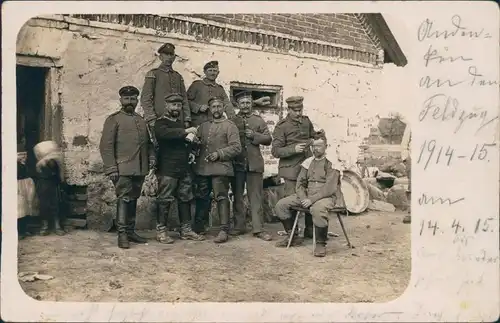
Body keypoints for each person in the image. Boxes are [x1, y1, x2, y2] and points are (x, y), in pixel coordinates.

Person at [99, 86, 156, 249]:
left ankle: (130, 231)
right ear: (121, 100)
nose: (130, 102)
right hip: (122, 169)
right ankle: (122, 234)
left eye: (133, 99)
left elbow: (149, 143)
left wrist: (151, 157)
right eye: (127, 99)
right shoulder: (113, 119)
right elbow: (106, 146)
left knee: (133, 199)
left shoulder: (140, 120)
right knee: (124, 198)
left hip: (140, 168)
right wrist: (111, 168)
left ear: (137, 100)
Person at [274, 137, 341, 257]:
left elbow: (329, 188)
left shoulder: (332, 162)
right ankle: (292, 235)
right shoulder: (308, 162)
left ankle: (320, 244)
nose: (316, 149)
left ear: (326, 146)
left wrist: (311, 200)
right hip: (308, 195)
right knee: (281, 205)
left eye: (319, 146)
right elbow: (300, 183)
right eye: (313, 146)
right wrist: (303, 197)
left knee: (317, 209)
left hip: (327, 197)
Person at [153, 93, 205, 243]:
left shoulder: (181, 124)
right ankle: (161, 231)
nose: (176, 108)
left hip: (184, 168)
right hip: (167, 168)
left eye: (179, 105)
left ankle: (186, 230)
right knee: (164, 199)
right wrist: (185, 132)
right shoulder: (160, 123)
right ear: (166, 106)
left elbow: (186, 142)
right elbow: (164, 135)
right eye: (173, 105)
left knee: (186, 198)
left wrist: (191, 152)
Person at [271, 96, 324, 240]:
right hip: (291, 171)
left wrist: (317, 137)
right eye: (295, 110)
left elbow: (313, 136)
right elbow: (275, 151)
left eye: (300, 109)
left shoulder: (306, 121)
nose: (299, 113)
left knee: (309, 198)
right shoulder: (282, 126)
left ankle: (309, 230)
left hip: (308, 169)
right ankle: (292, 234)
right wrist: (293, 149)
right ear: (288, 110)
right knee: (290, 202)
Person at [192, 96, 242, 243]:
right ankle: (199, 228)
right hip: (203, 168)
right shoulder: (203, 126)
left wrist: (219, 154)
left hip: (221, 168)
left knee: (221, 197)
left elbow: (236, 147)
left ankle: (223, 230)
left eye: (219, 106)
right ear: (210, 109)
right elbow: (197, 146)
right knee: (202, 197)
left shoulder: (230, 126)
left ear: (223, 108)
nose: (216, 110)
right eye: (213, 107)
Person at [229, 91, 273, 241]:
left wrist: (254, 135)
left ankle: (258, 228)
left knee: (256, 197)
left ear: (251, 104)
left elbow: (268, 139)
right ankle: (239, 226)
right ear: (238, 105)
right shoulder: (232, 120)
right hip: (238, 164)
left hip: (254, 164)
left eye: (248, 102)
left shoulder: (258, 120)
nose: (245, 106)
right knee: (238, 196)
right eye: (242, 103)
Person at [140, 43, 191, 130]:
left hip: (178, 120)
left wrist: (187, 118)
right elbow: (146, 98)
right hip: (160, 119)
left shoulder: (178, 76)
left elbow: (184, 99)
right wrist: (151, 118)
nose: (169, 57)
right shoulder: (153, 74)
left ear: (174, 58)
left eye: (171, 54)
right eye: (166, 54)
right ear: (160, 57)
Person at [186, 60, 236, 127]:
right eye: (210, 70)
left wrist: (233, 120)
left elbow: (227, 104)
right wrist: (198, 107)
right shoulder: (196, 85)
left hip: (214, 124)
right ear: (205, 72)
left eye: (215, 71)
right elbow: (186, 101)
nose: (212, 73)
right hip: (197, 123)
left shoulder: (220, 89)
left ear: (218, 73)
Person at [33, 141, 66, 236]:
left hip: (53, 185)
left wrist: (60, 181)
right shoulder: (40, 164)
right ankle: (45, 225)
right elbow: (40, 172)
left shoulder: (55, 162)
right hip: (43, 185)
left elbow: (59, 174)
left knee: (55, 204)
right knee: (44, 205)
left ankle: (57, 225)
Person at [400, 120, 411, 224]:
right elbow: (404, 144)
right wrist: (406, 159)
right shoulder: (411, 124)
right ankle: (411, 212)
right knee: (412, 186)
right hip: (413, 160)